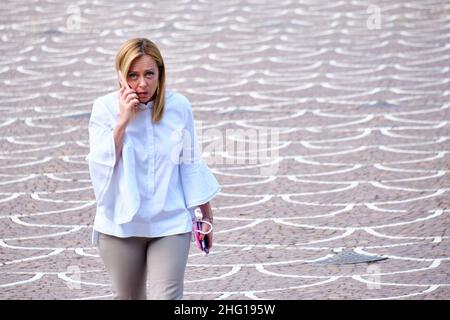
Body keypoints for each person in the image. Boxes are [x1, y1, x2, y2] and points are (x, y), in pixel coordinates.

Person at [87, 38, 220, 300]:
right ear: (121, 77)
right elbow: (100, 164)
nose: (142, 83)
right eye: (133, 75)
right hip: (120, 228)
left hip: (169, 223)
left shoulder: (179, 106)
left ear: (160, 73)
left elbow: (190, 160)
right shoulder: (104, 108)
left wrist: (205, 213)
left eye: (149, 74)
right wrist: (123, 121)